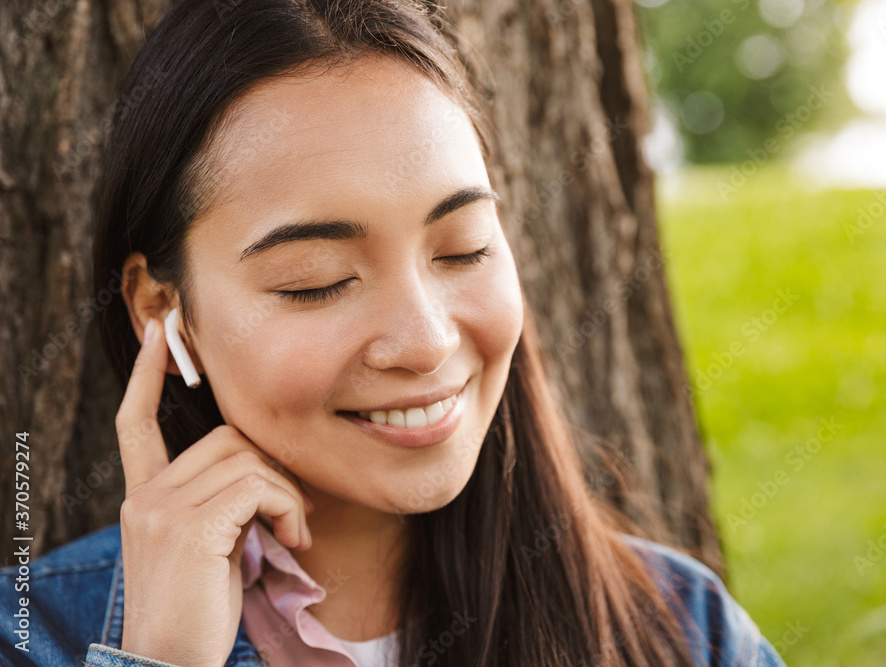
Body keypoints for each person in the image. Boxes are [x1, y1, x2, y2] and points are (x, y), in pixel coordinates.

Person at [0, 1, 786, 665]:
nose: (426, 340)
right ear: (159, 308)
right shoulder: (33, 635)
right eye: (317, 281)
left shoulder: (687, 630)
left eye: (464, 247)